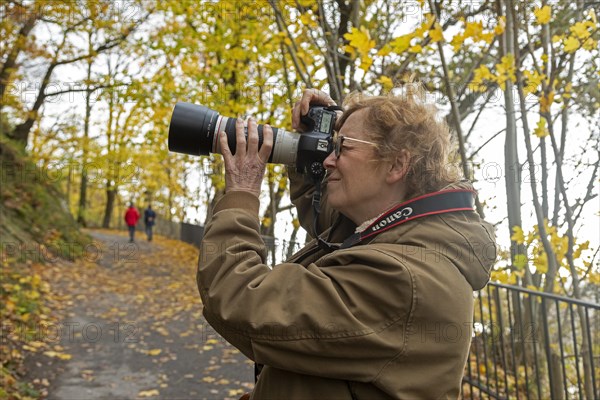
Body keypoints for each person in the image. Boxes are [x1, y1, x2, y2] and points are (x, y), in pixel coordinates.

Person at [196, 87, 497, 399]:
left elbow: (239, 300)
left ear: (396, 165)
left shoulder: (402, 279)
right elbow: (326, 218)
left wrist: (242, 193)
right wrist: (311, 144)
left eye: (342, 148)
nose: (328, 160)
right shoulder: (395, 235)